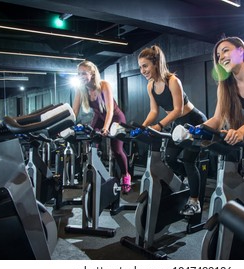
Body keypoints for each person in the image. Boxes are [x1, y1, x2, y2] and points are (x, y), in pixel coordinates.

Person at [138, 45, 207, 216]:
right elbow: (154, 111)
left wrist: (159, 126)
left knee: (188, 161)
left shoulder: (173, 81)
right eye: (140, 67)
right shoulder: (150, 86)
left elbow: (178, 109)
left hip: (193, 121)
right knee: (169, 158)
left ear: (156, 63)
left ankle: (195, 201)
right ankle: (188, 183)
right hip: (176, 123)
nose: (142, 70)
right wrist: (143, 126)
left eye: (145, 65)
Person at [72, 60, 132, 193]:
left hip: (116, 118)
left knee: (116, 149)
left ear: (92, 74)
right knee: (91, 142)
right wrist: (67, 126)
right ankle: (96, 175)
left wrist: (106, 128)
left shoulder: (103, 85)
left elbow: (110, 110)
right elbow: (74, 111)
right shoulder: (81, 89)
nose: (80, 76)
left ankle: (125, 175)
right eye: (78, 74)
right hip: (99, 117)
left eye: (83, 73)